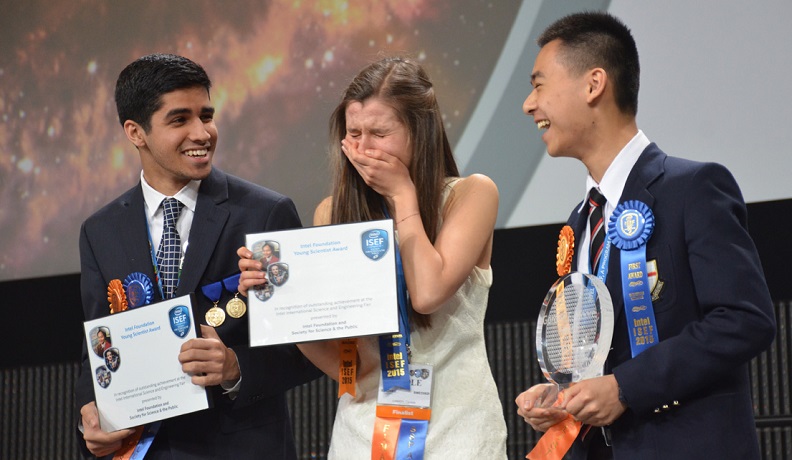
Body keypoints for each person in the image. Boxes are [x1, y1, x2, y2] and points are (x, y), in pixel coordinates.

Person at [515, 12, 776, 460]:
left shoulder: (692, 189)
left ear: (594, 84)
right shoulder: (581, 220)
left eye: (539, 85)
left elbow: (744, 319)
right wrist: (567, 397)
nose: (528, 104)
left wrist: (625, 388)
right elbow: (604, 356)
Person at [239, 56, 508, 458]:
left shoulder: (471, 194)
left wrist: (403, 196)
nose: (363, 149)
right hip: (363, 432)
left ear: (421, 131)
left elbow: (428, 293)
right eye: (354, 134)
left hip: (459, 429)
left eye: (379, 133)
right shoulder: (332, 213)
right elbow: (343, 365)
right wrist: (276, 303)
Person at [75, 53, 320, 460]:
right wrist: (90, 416)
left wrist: (235, 368)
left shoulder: (264, 213)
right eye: (180, 119)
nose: (202, 132)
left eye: (206, 115)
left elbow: (309, 348)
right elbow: (95, 347)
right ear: (136, 132)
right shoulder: (100, 231)